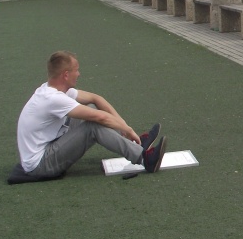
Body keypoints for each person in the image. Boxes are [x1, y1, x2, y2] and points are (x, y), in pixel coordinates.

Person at [12, 51, 166, 183]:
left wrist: (125, 129)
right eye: (76, 70)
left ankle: (134, 143)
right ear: (66, 75)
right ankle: (144, 159)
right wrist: (128, 129)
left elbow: (96, 99)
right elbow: (101, 118)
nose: (79, 74)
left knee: (91, 108)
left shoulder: (54, 90)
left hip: (49, 146)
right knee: (93, 125)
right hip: (40, 166)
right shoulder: (52, 99)